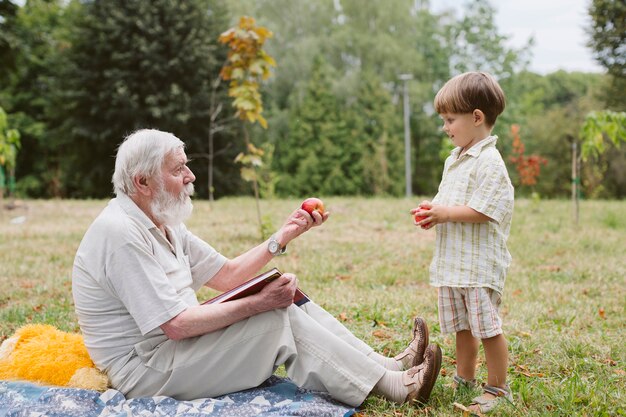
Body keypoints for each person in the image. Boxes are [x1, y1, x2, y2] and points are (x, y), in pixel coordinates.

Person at [72, 129, 442, 408]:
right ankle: (397, 389)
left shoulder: (162, 221)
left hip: (171, 350)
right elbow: (177, 325)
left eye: (187, 166)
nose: (191, 176)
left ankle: (387, 366)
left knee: (287, 297)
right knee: (273, 318)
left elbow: (228, 274)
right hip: (146, 370)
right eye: (179, 169)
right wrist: (257, 304)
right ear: (143, 182)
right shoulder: (120, 233)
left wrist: (282, 236)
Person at [411, 72, 515, 414]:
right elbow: (450, 203)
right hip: (454, 263)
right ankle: (464, 379)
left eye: (449, 120)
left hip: (479, 265)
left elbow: (484, 210)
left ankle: (498, 389)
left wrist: (446, 213)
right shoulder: (453, 160)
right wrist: (433, 211)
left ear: (476, 117)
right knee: (462, 327)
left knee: (486, 328)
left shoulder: (489, 162)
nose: (445, 127)